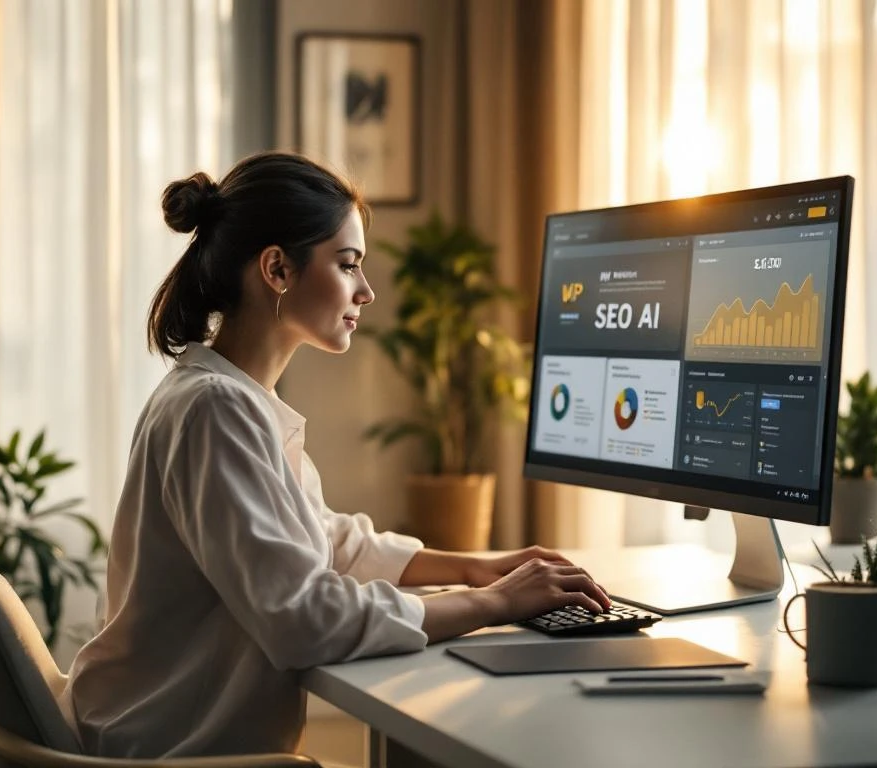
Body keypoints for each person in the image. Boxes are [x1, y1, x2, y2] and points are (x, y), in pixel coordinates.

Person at [61, 151, 609, 759]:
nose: (366, 292)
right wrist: (495, 603)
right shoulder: (215, 410)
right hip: (169, 750)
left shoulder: (231, 397)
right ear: (277, 269)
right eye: (348, 265)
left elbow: (326, 542)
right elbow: (303, 618)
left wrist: (478, 569)